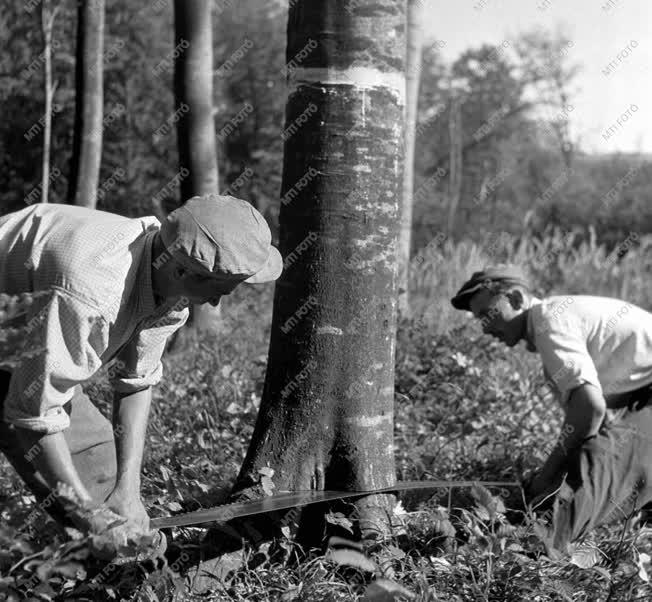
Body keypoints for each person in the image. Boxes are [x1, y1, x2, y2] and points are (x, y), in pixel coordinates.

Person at [0, 194, 282, 542]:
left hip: (27, 335)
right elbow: (35, 417)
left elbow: (135, 382)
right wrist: (89, 517)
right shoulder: (92, 294)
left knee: (100, 475)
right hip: (18, 331)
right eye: (219, 290)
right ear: (181, 270)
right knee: (77, 493)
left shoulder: (169, 281)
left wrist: (127, 494)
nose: (215, 302)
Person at [451, 264, 652, 550]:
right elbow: (595, 424)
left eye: (487, 313)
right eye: (478, 319)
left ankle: (530, 549)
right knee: (610, 460)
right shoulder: (551, 331)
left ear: (517, 299)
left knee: (602, 464)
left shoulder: (548, 319)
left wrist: (544, 478)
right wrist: (553, 478)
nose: (484, 327)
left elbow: (590, 411)